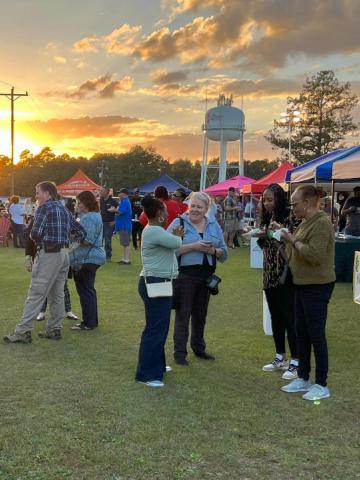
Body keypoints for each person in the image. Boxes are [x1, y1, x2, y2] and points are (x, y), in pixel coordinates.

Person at [4, 181, 85, 344]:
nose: (36, 196)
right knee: (57, 293)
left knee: (36, 292)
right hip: (63, 256)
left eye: (38, 192)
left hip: (49, 254)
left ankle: (23, 332)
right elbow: (81, 232)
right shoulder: (64, 209)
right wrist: (67, 246)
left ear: (47, 193)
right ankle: (54, 329)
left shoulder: (44, 208)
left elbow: (34, 233)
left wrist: (42, 242)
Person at [280, 185, 335, 401]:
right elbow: (295, 253)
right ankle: (303, 377)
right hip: (301, 284)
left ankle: (322, 384)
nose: (292, 208)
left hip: (317, 285)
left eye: (294, 203)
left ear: (308, 203)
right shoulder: (304, 222)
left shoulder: (321, 223)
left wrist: (292, 239)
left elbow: (314, 256)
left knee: (316, 334)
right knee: (300, 331)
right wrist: (284, 239)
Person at [167, 192, 228, 366]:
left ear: (206, 209)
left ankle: (199, 348)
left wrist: (213, 252)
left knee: (201, 315)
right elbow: (168, 249)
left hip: (206, 277)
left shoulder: (213, 225)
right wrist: (192, 246)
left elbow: (224, 252)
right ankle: (179, 353)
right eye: (192, 206)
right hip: (185, 276)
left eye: (199, 207)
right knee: (183, 315)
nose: (195, 210)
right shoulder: (178, 223)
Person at [135, 196, 183, 388]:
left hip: (157, 281)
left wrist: (176, 236)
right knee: (155, 329)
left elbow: (172, 243)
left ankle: (158, 366)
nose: (167, 212)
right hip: (155, 282)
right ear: (160, 214)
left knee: (159, 327)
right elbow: (176, 243)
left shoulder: (154, 230)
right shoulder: (154, 231)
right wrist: (178, 235)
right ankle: (147, 374)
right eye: (164, 209)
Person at [258, 184, 299, 380]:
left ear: (280, 199)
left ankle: (296, 360)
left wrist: (273, 234)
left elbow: (291, 243)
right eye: (264, 200)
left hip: (285, 272)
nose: (266, 203)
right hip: (269, 273)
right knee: (275, 316)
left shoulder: (290, 216)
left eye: (270, 199)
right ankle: (280, 356)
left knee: (289, 317)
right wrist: (259, 234)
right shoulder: (267, 217)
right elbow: (265, 243)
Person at [69, 191, 106, 331]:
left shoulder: (89, 217)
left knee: (85, 291)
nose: (77, 206)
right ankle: (91, 321)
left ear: (87, 203)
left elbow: (87, 240)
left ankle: (89, 323)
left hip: (87, 259)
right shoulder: (94, 215)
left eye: (79, 203)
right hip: (92, 258)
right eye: (77, 203)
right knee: (88, 291)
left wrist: (71, 235)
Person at [112, 188, 132, 265]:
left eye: (119, 193)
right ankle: (124, 259)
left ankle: (126, 260)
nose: (118, 194)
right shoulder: (124, 201)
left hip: (124, 225)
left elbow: (120, 211)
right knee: (124, 243)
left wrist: (114, 210)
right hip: (123, 225)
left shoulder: (125, 201)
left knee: (126, 243)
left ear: (123, 194)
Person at [100, 187, 118, 261]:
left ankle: (108, 256)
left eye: (102, 191)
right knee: (100, 240)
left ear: (107, 192)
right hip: (101, 223)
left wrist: (114, 220)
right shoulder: (101, 200)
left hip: (109, 223)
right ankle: (100, 255)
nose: (101, 192)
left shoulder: (113, 201)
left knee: (107, 240)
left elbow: (118, 211)